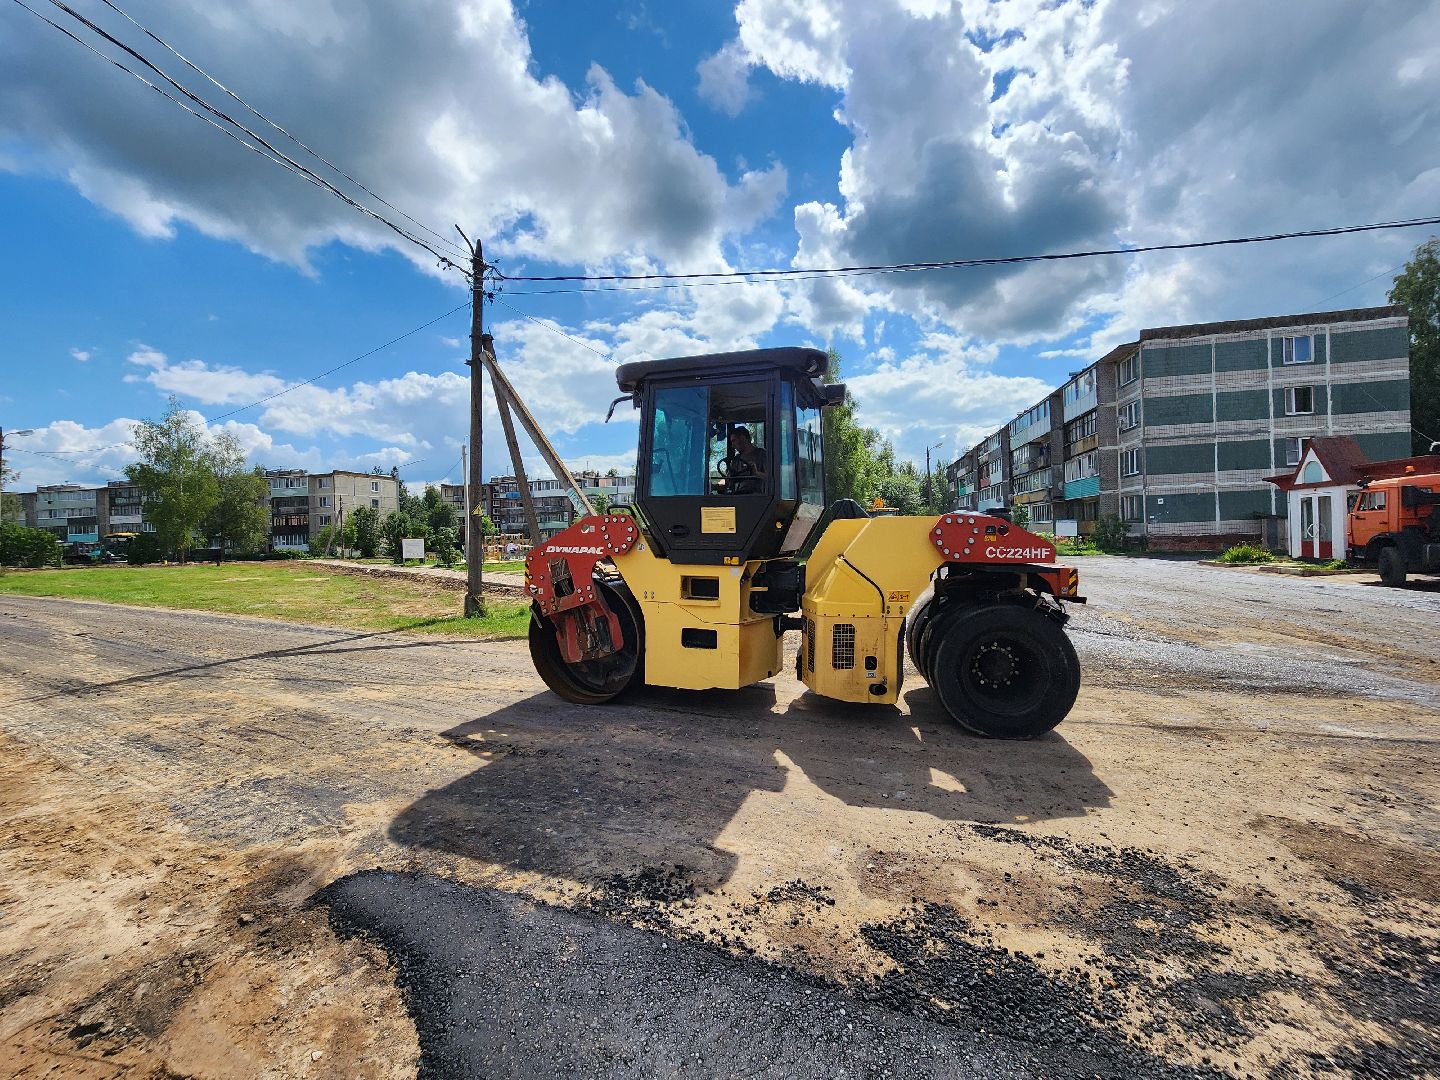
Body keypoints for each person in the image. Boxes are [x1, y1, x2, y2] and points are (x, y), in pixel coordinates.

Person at [725, 425, 767, 494]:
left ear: (743, 438)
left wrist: (756, 473)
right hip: (738, 496)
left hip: (759, 497)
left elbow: (771, 479)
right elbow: (729, 481)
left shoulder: (762, 454)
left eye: (734, 441)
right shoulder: (736, 460)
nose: (732, 445)